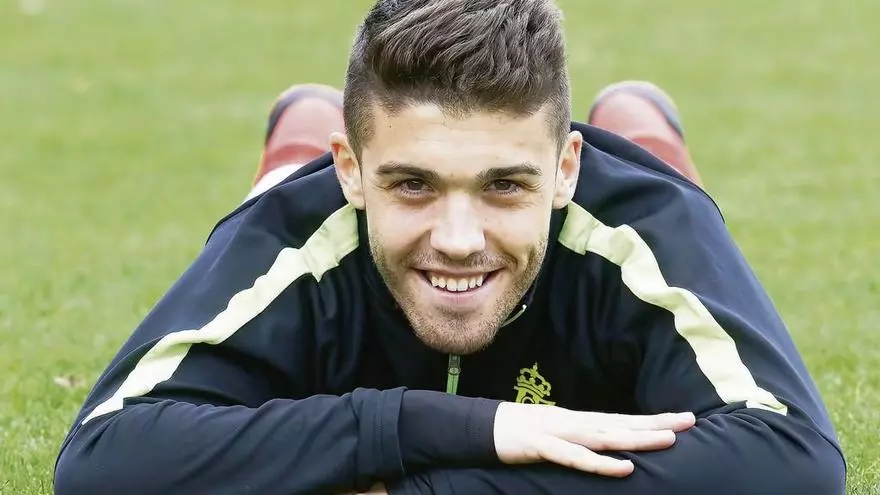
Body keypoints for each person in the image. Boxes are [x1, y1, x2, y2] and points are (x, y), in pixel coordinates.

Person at [54, 1, 846, 494]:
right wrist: (439, 426)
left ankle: (643, 132)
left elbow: (792, 460)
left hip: (634, 191)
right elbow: (103, 460)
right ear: (351, 172)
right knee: (276, 200)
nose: (459, 239)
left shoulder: (638, 231)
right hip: (310, 196)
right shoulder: (301, 237)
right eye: (412, 184)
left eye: (505, 184)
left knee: (674, 192)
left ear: (566, 169)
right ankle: (294, 149)